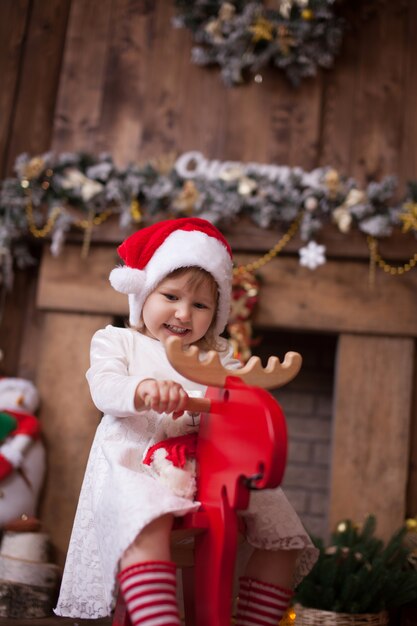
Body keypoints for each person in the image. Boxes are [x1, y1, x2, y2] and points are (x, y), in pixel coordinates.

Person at [55, 217, 317, 625]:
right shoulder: (118, 341)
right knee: (148, 515)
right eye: (170, 296)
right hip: (137, 470)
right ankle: (158, 620)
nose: (183, 313)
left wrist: (248, 396)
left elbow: (240, 404)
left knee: (283, 530)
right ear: (143, 294)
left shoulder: (217, 357)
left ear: (216, 313)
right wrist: (143, 390)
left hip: (212, 470)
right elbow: (104, 388)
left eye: (200, 305)